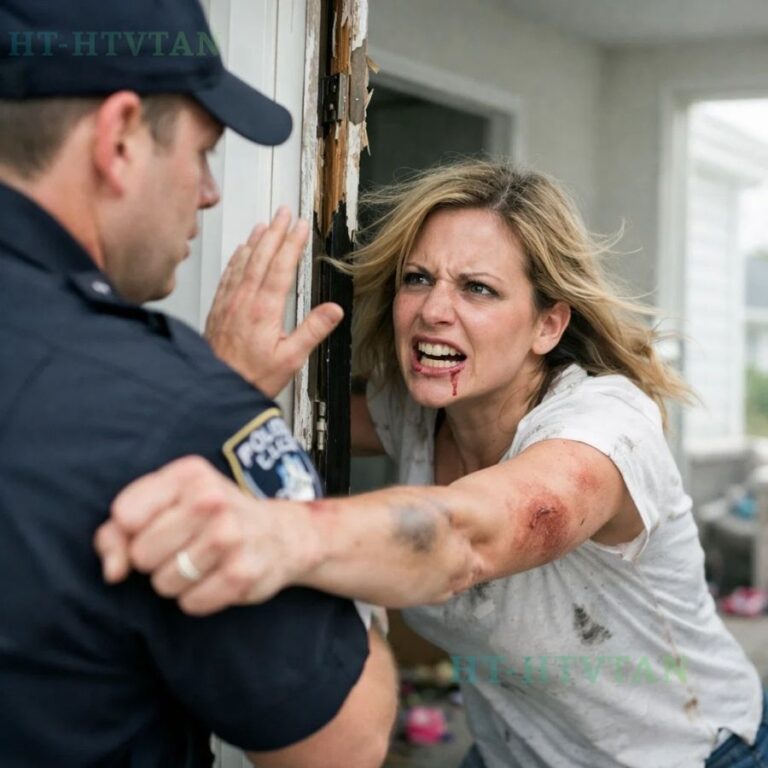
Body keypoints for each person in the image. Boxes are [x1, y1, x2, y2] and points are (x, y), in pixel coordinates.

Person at [96, 161, 768, 768]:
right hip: (514, 752)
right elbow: (270, 428)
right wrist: (223, 386)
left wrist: (278, 536)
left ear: (547, 326)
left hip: (695, 753)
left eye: (477, 289)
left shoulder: (607, 427)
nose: (432, 311)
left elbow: (471, 534)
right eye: (418, 279)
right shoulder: (413, 413)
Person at [0, 1, 398, 766]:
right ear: (118, 139)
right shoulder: (183, 415)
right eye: (204, 151)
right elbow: (343, 744)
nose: (211, 192)